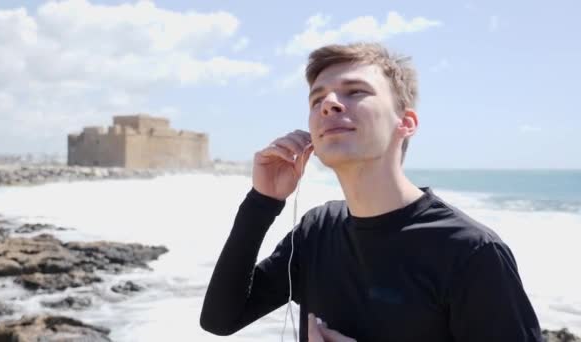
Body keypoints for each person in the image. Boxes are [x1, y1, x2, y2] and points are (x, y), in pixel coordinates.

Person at [199, 42, 542, 341]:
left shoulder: (471, 252)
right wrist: (263, 202)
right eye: (317, 98)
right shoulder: (316, 231)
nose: (328, 103)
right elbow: (220, 320)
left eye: (355, 91)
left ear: (405, 123)